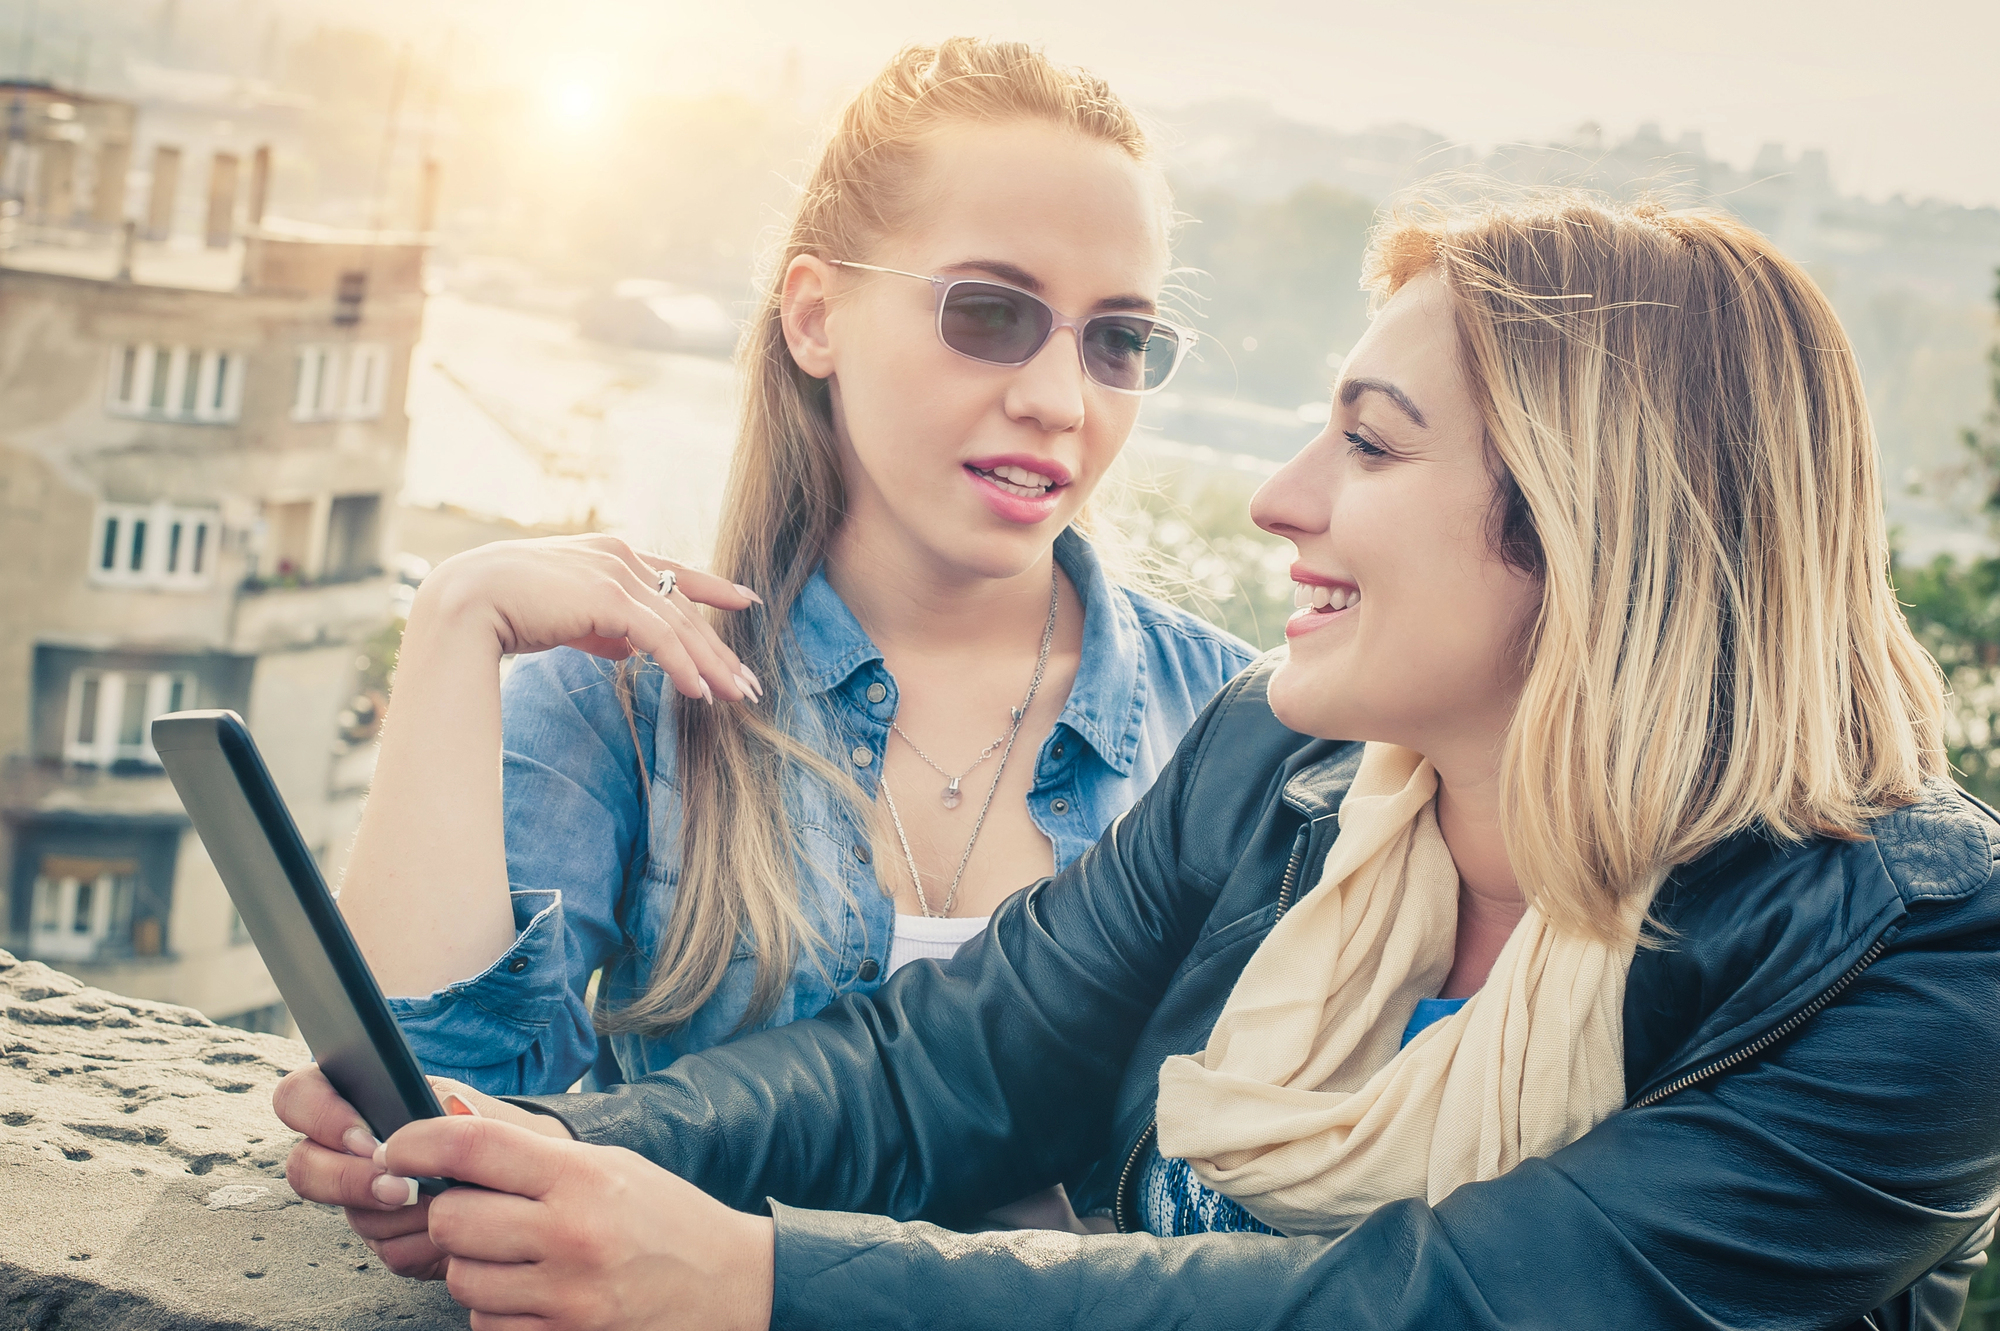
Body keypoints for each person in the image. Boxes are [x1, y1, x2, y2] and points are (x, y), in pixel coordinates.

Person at [280, 193, 2000, 1331]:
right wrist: (535, 1147)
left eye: (1370, 447)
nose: (1280, 503)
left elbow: (1439, 1306)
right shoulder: (1278, 768)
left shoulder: (1915, 958)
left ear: (1593, 524)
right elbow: (944, 1071)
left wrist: (757, 1280)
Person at [331, 31, 1252, 1172]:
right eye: (988, 313)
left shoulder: (1234, 727)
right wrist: (455, 622)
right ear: (814, 316)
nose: (1060, 400)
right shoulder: (626, 697)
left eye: (1118, 340)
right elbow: (423, 1121)